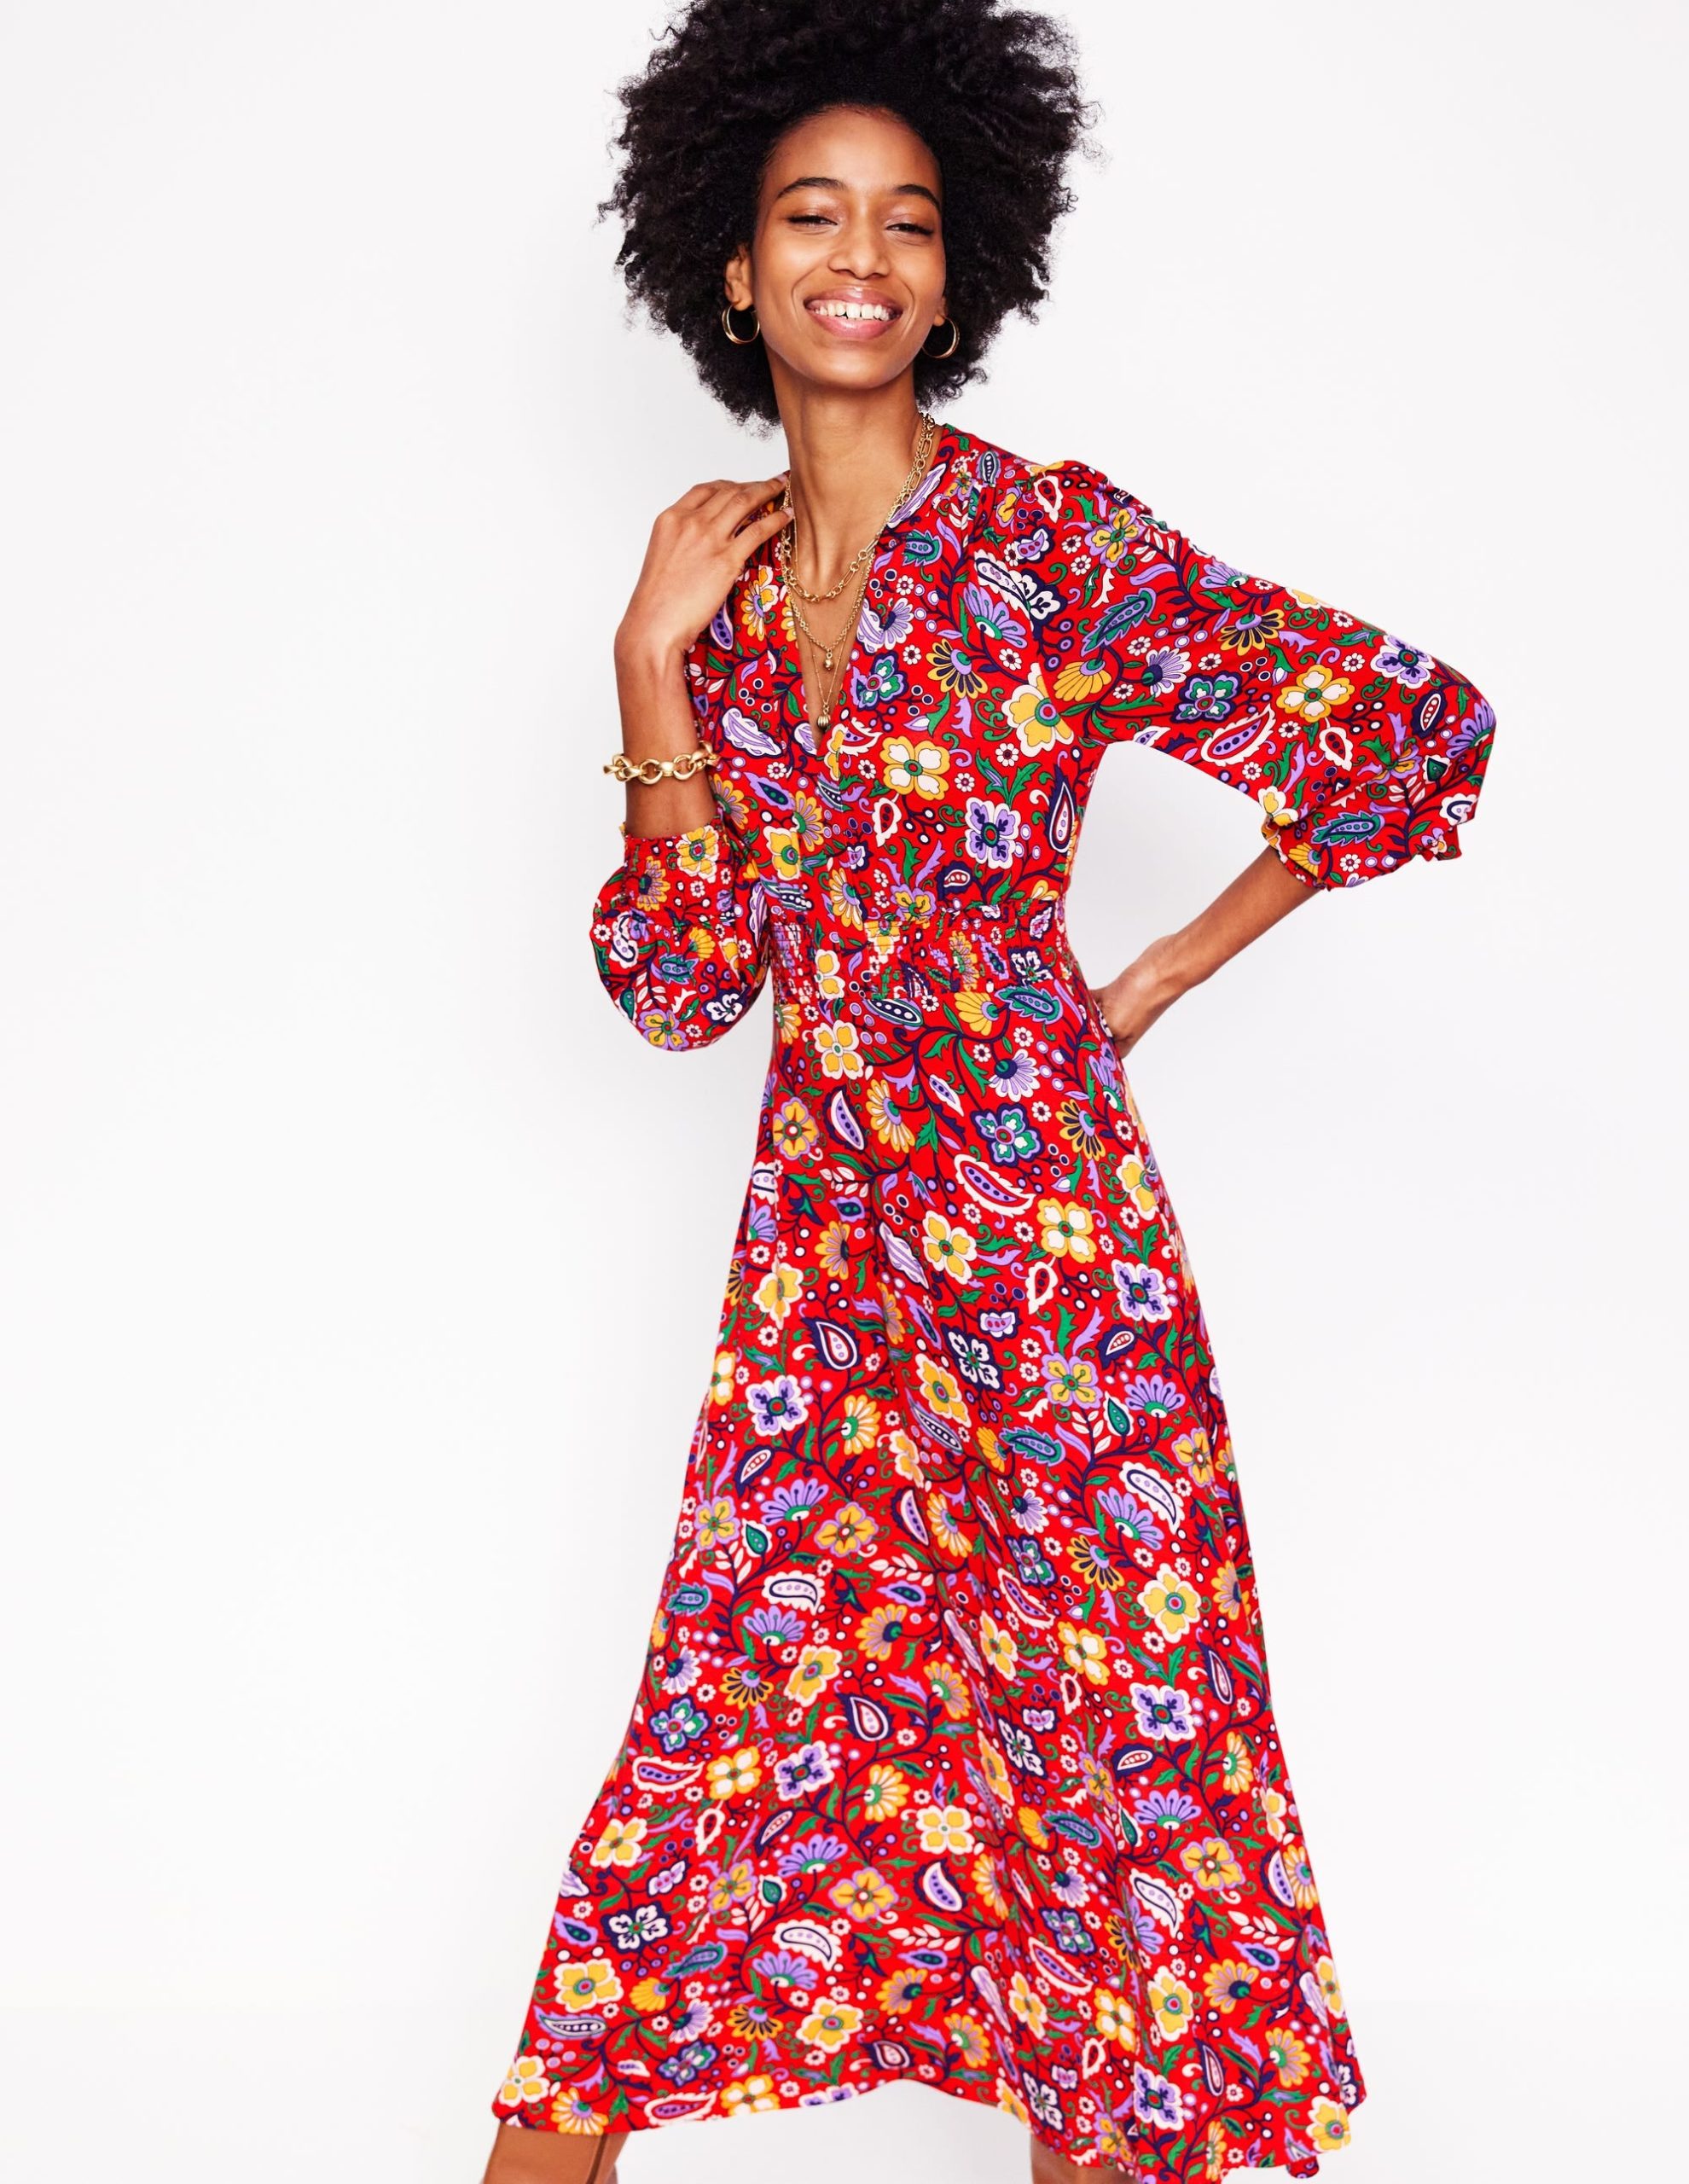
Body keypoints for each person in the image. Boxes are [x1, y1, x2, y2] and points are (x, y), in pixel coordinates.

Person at [481, 3, 1495, 2178]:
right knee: (709, 1770)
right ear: (731, 264)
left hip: (1048, 1281)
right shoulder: (713, 596)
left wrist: (1157, 972)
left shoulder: (1048, 546)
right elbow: (683, 991)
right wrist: (646, 666)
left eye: (910, 222)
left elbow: (1413, 725)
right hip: (825, 1292)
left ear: (959, 277)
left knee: (1098, 1799)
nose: (862, 256)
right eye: (811, 214)